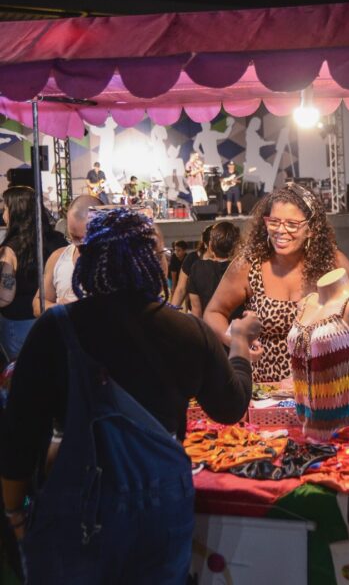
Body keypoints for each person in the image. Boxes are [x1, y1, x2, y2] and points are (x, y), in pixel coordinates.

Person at [0, 208, 259, 582]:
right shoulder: (188, 331)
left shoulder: (55, 329)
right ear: (151, 262)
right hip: (160, 513)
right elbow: (231, 407)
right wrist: (238, 344)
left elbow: (20, 433)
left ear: (89, 261)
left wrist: (13, 513)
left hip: (76, 510)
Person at [205, 183, 349, 383]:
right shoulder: (249, 265)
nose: (280, 230)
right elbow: (213, 312)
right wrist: (236, 341)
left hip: (323, 389)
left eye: (292, 224)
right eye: (274, 221)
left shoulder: (333, 265)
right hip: (266, 392)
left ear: (311, 229)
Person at [0, 186, 66, 360]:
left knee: (21, 376)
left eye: (5, 209)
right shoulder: (58, 240)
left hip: (20, 323)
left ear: (16, 212)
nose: (3, 214)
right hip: (53, 318)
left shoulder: (11, 248)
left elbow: (5, 297)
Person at [32, 195, 103, 316]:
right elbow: (38, 303)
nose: (79, 244)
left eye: (87, 237)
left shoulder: (117, 259)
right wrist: (59, 308)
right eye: (74, 236)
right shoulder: (58, 257)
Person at [188, 222, 242, 319]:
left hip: (209, 329)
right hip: (236, 331)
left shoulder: (197, 268)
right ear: (236, 246)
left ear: (210, 245)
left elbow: (196, 311)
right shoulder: (243, 270)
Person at [171, 225, 213, 308]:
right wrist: (170, 314)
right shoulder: (192, 258)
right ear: (205, 243)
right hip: (195, 312)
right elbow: (181, 289)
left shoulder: (227, 259)